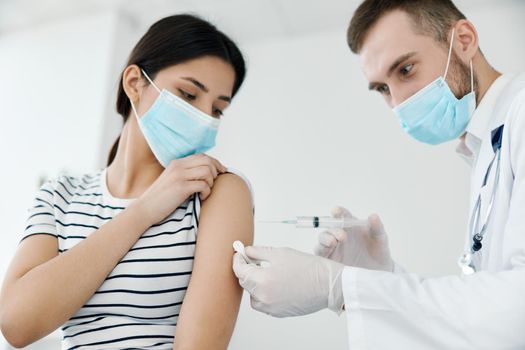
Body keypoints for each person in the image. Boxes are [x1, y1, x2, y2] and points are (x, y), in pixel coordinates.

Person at [233, 0, 525, 348]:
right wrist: (381, 276)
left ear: (463, 40)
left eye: (405, 70)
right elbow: (481, 310)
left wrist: (343, 287)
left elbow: (516, 308)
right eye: (383, 89)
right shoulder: (484, 146)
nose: (399, 101)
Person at [0, 14, 254, 350]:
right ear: (135, 82)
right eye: (190, 95)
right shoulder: (61, 195)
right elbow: (17, 324)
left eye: (218, 109)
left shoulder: (217, 192)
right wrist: (144, 210)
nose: (204, 118)